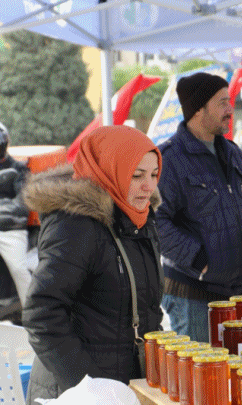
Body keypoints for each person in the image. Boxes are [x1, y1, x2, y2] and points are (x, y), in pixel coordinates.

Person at [21, 126, 164, 403]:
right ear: (110, 170)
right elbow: (42, 314)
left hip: (125, 386)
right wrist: (89, 388)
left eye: (154, 174)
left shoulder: (140, 219)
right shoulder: (75, 225)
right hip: (78, 391)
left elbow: (147, 309)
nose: (149, 186)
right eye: (137, 175)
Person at [157, 72, 242, 342]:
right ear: (198, 110)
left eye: (230, 102)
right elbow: (155, 221)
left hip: (239, 288)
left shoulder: (233, 153)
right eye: (222, 103)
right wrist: (199, 260)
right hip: (194, 296)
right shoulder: (170, 159)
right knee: (202, 369)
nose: (230, 110)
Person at [0, 122, 30, 307]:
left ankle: (34, 312)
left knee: (19, 269)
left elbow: (22, 203)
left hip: (11, 230)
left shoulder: (19, 169)